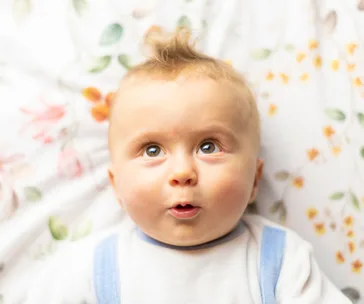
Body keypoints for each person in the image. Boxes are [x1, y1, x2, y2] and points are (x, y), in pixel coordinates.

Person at [24, 30, 351, 304]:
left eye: (209, 147)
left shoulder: (280, 260)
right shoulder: (91, 268)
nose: (182, 172)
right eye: (152, 150)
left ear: (255, 180)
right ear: (117, 184)